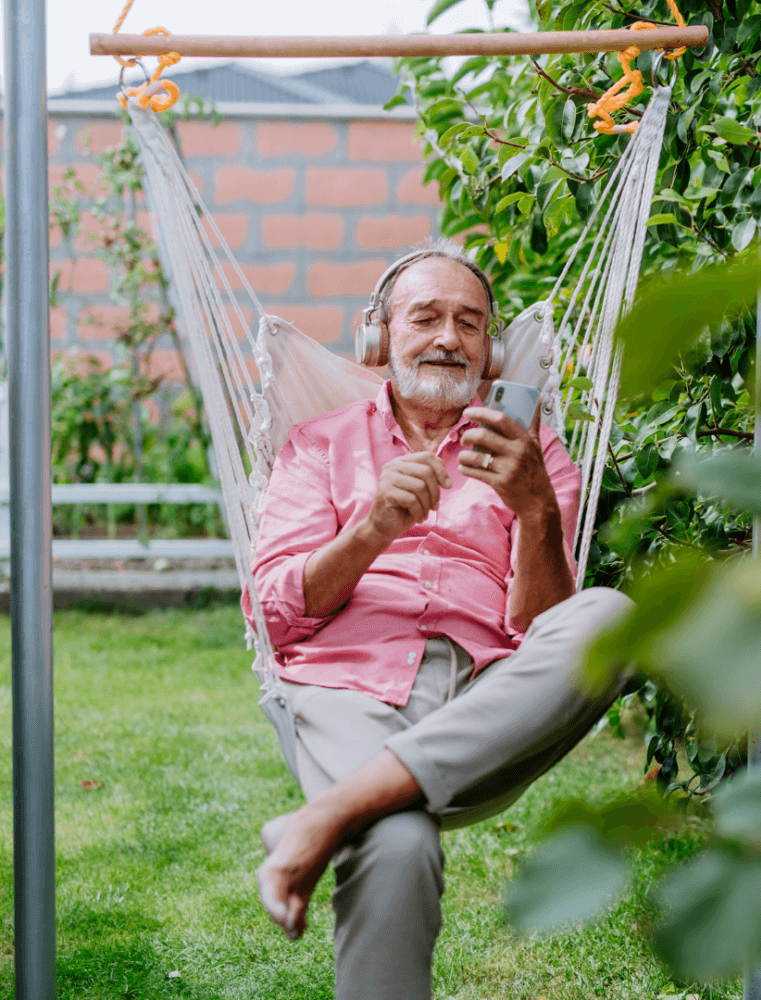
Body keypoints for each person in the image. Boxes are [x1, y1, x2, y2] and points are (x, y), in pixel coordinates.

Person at [249, 241, 631, 1000]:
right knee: (396, 843)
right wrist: (369, 531)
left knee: (609, 616)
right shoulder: (319, 446)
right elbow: (278, 615)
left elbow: (546, 630)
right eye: (424, 318)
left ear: (491, 352)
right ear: (379, 338)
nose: (449, 338)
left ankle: (329, 813)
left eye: (470, 323)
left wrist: (536, 513)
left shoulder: (531, 452)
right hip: (348, 687)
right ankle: (366, 811)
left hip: (484, 700)